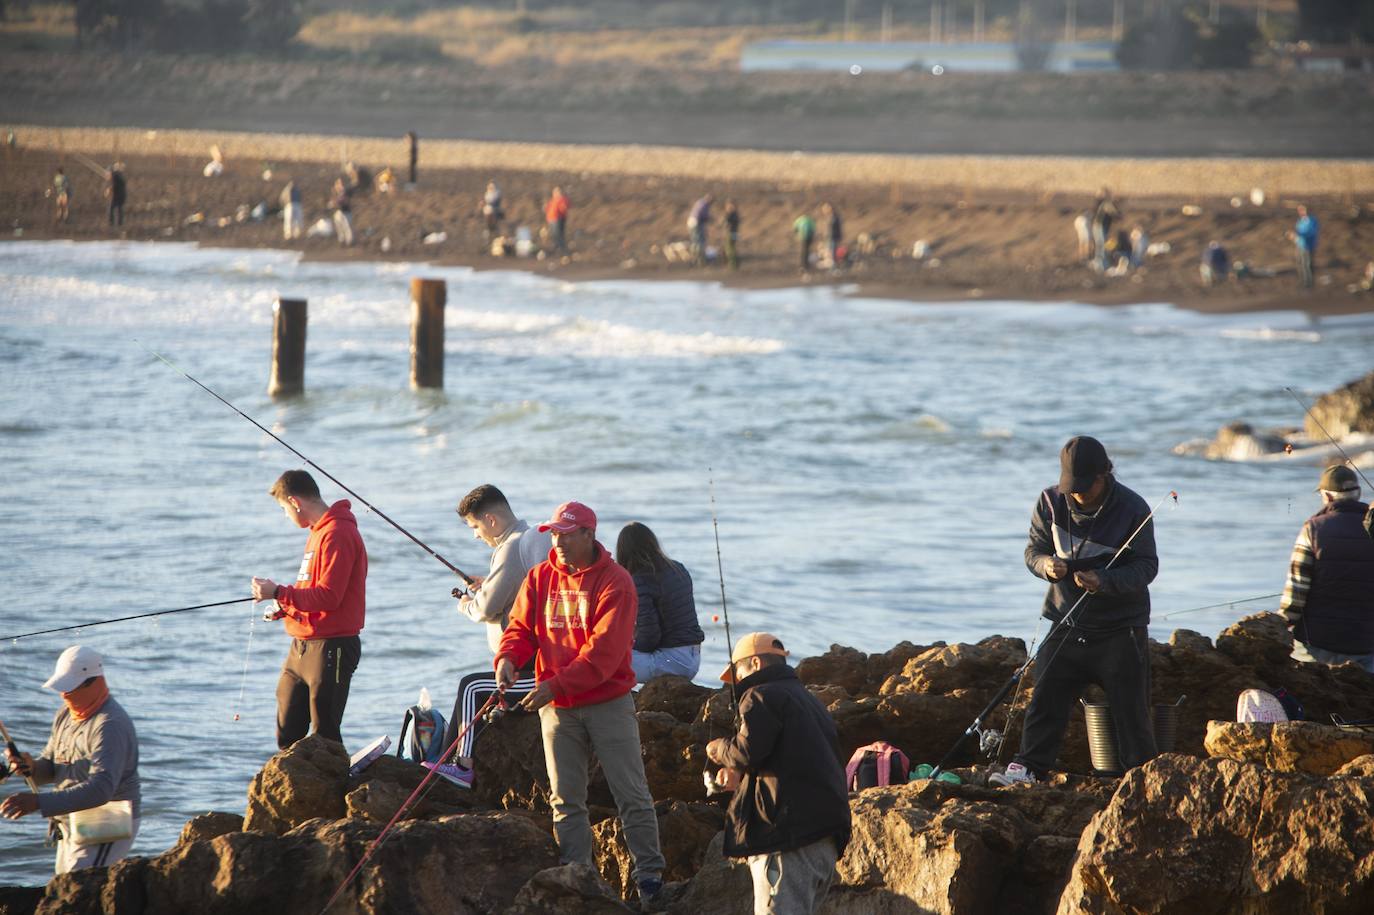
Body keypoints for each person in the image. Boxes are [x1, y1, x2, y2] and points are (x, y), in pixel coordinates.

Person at [495, 501, 666, 909]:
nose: (559, 542)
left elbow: (603, 655)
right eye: (554, 534)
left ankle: (651, 879)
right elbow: (520, 629)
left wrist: (554, 685)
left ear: (589, 534)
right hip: (557, 706)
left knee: (632, 794)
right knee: (565, 799)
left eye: (567, 534)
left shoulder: (616, 582)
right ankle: (576, 878)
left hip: (608, 702)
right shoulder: (540, 578)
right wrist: (507, 660)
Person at [991, 435, 1159, 785]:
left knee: (1132, 715)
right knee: (1044, 701)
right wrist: (1045, 566)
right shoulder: (1050, 501)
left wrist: (1105, 580)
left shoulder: (1133, 508)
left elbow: (1147, 567)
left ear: (1104, 474)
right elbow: (1032, 551)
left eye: (1084, 487)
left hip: (1120, 629)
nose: (1077, 494)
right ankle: (1029, 770)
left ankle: (1140, 781)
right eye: (1072, 487)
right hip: (1065, 621)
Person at [704, 632, 851, 915]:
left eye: (737, 671)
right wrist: (743, 780)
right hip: (826, 837)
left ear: (755, 663)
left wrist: (719, 749)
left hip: (789, 839)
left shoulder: (760, 694)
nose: (735, 683)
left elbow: (747, 750)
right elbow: (792, 762)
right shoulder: (808, 701)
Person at [430, 484, 551, 787]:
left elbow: (486, 608)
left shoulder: (510, 548)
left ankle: (460, 765)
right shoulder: (523, 541)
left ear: (491, 520)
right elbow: (509, 594)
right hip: (524, 660)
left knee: (470, 688)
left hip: (528, 665)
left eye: (475, 526)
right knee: (475, 691)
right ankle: (447, 762)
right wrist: (484, 586)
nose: (475, 534)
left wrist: (466, 604)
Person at [251, 470, 367, 750]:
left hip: (332, 646)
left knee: (325, 737)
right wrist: (284, 606)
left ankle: (334, 790)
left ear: (295, 501)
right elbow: (311, 591)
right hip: (301, 647)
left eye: (283, 509)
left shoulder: (338, 532)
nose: (285, 515)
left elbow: (329, 597)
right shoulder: (318, 533)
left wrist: (279, 592)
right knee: (287, 735)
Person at [2, 646, 141, 875]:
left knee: (82, 886)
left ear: (94, 683)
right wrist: (32, 767)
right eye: (61, 687)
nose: (64, 694)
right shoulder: (65, 714)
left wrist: (38, 802)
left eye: (70, 687)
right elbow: (52, 765)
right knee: (64, 884)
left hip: (109, 818)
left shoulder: (109, 724)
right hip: (71, 820)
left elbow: (101, 789)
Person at [1279, 465, 1374, 673]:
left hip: (1316, 644)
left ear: (1328, 497)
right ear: (1357, 493)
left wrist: (1277, 626)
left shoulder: (1313, 529)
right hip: (1366, 643)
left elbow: (1296, 592)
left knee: (1311, 696)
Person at [615, 522, 705, 683]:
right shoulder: (678, 568)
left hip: (672, 661)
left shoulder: (640, 580)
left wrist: (629, 646)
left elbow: (650, 636)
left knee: (605, 661)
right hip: (693, 657)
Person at [1091, 188, 1120, 272]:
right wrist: (1119, 216)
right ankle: (1100, 264)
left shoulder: (1103, 203)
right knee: (1101, 244)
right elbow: (1114, 213)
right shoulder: (1107, 204)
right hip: (1099, 226)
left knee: (1101, 244)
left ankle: (1101, 263)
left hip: (1100, 226)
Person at [1290, 204, 1319, 289]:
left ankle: (1309, 283)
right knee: (1300, 264)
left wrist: (1299, 234)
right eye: (1299, 210)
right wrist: (1294, 237)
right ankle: (1303, 282)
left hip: (1309, 245)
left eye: (1302, 210)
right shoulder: (1300, 221)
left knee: (1307, 264)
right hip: (1300, 245)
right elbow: (1298, 233)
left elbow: (1311, 232)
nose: (1301, 212)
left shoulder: (1312, 221)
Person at [688, 194, 712, 266]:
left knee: (696, 241)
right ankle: (698, 259)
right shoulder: (704, 204)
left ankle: (695, 259)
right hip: (696, 224)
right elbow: (701, 215)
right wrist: (708, 219)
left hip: (693, 223)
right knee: (698, 241)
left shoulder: (700, 202)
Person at [545, 186, 570, 255]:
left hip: (557, 219)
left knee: (558, 235)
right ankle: (556, 249)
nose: (555, 193)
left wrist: (561, 213)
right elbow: (548, 208)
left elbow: (564, 209)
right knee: (554, 235)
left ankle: (563, 251)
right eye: (554, 192)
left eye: (557, 191)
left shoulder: (562, 199)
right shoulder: (553, 200)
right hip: (551, 219)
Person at [330, 178, 353, 247]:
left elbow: (345, 201)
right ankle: (342, 241)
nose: (338, 185)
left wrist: (336, 203)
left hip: (346, 212)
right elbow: (334, 202)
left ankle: (349, 242)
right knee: (339, 226)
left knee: (347, 227)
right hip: (339, 212)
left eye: (340, 184)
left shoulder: (346, 192)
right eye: (337, 184)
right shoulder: (336, 193)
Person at [823, 202, 843, 267]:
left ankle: (834, 266)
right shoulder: (828, 217)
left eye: (825, 208)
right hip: (829, 237)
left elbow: (836, 228)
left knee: (833, 252)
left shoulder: (834, 217)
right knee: (829, 252)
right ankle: (831, 265)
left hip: (833, 237)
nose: (824, 210)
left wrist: (839, 236)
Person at [723, 199, 741, 270]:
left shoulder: (731, 214)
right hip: (734, 233)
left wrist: (727, 213)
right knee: (732, 248)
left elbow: (727, 223)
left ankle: (732, 264)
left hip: (731, 233)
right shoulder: (736, 213)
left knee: (730, 249)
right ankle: (734, 264)